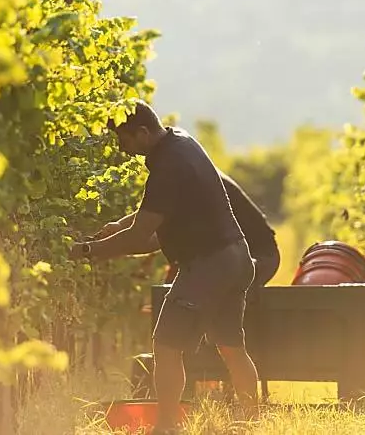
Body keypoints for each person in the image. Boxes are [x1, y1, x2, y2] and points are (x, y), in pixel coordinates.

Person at [69, 100, 260, 434]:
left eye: (124, 142)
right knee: (232, 346)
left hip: (208, 265)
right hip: (236, 257)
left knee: (166, 345)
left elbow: (142, 236)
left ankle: (167, 427)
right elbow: (153, 219)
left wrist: (86, 252)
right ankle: (256, 421)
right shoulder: (180, 143)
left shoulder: (167, 166)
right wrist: (117, 226)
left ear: (142, 133)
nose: (123, 150)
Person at [94, 168, 281, 293]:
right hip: (229, 255)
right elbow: (153, 210)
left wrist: (114, 247)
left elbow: (158, 238)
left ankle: (204, 349)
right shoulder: (192, 174)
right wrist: (119, 226)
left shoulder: (201, 188)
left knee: (196, 294)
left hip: (257, 258)